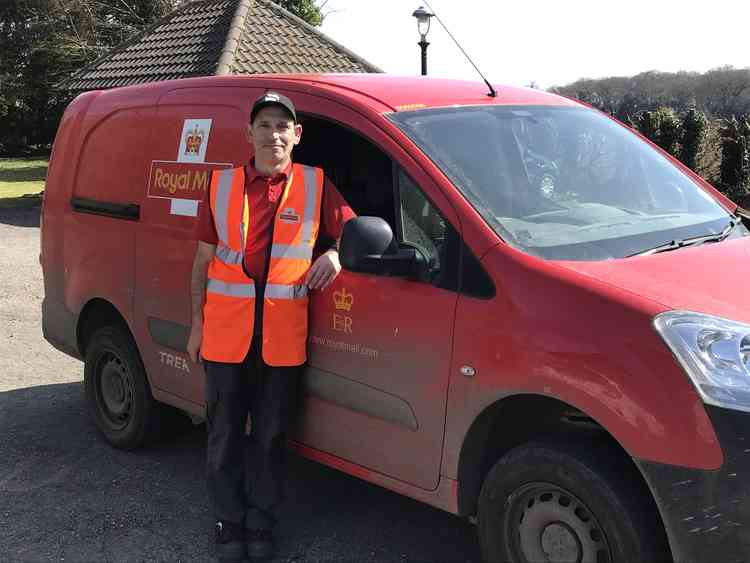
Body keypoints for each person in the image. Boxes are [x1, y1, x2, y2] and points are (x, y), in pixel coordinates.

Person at [187, 91, 355, 562]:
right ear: (249, 133)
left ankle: (261, 520)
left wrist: (335, 254)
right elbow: (201, 262)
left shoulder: (316, 183)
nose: (273, 133)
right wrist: (195, 326)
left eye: (283, 125)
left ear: (297, 135)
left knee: (270, 435)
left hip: (281, 338)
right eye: (264, 124)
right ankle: (228, 521)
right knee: (223, 434)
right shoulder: (221, 186)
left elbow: (350, 231)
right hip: (224, 336)